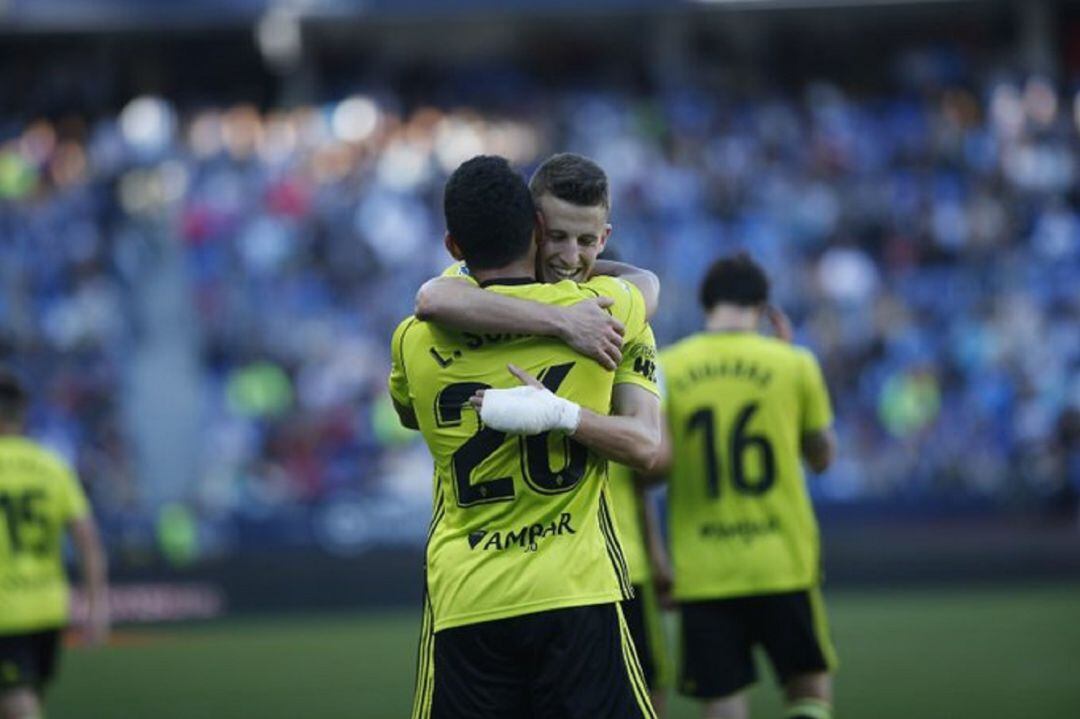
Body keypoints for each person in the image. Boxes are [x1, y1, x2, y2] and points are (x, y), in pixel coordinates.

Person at [389, 155, 661, 718]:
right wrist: (561, 326)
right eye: (558, 236)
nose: (571, 254)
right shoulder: (605, 317)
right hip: (575, 588)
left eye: (585, 241)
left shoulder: (415, 338)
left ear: (453, 245)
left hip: (467, 595)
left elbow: (412, 407)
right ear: (536, 229)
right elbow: (646, 285)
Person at [651, 253, 838, 719]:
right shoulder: (794, 364)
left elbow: (653, 467)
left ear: (705, 304)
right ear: (764, 308)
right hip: (782, 560)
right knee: (809, 692)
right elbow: (822, 459)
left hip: (703, 567)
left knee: (725, 704)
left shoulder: (669, 367)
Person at [0, 369, 109, 719]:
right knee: (27, 696)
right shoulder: (53, 466)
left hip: (5, 612)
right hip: (48, 607)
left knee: (17, 703)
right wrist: (96, 605)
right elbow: (87, 541)